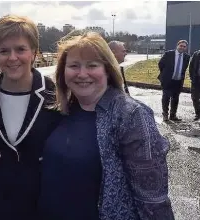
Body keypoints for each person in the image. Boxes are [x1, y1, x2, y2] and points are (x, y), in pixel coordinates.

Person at [38, 31, 174, 220]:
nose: (82, 74)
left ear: (108, 70)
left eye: (92, 65)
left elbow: (152, 198)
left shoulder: (131, 115)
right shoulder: (61, 110)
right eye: (74, 66)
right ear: (63, 72)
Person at [0, 15, 61, 220]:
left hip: (44, 198)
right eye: (4, 51)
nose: (12, 58)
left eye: (20, 49)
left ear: (34, 52)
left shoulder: (56, 93)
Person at [157, 40, 190, 122]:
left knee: (175, 98)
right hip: (167, 80)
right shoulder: (169, 54)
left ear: (186, 48)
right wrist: (165, 74)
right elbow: (160, 64)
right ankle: (165, 114)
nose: (182, 47)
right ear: (177, 46)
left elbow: (184, 68)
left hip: (178, 81)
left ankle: (173, 115)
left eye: (184, 46)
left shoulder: (187, 57)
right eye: (181, 46)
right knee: (166, 97)